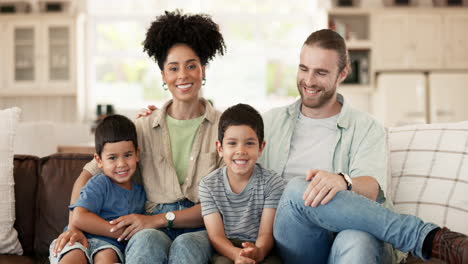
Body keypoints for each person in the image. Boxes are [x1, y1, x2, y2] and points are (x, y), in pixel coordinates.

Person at [259, 29, 468, 264]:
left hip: (348, 234)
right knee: (298, 190)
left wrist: (343, 182)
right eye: (303, 69)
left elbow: (372, 188)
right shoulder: (268, 123)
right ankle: (427, 238)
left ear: (343, 74)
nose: (308, 81)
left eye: (320, 72)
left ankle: (429, 239)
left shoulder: (365, 126)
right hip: (298, 241)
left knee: (358, 238)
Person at [51, 10, 227, 264]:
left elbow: (221, 202)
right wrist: (74, 225)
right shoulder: (143, 127)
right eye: (173, 68)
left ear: (203, 70)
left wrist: (157, 220)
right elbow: (88, 174)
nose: (183, 75)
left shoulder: (224, 129)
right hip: (150, 224)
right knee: (145, 241)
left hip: (198, 223)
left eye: (191, 66)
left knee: (187, 248)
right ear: (164, 76)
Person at [50, 115, 146, 264]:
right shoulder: (100, 183)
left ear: (137, 154)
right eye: (112, 158)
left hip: (110, 247)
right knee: (72, 257)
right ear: (99, 160)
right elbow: (79, 217)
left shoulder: (141, 193)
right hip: (78, 238)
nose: (121, 164)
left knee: (107, 255)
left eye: (127, 155)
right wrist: (118, 232)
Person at [199, 104, 284, 264]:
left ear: (261, 147)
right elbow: (216, 236)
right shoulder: (208, 185)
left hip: (261, 247)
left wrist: (257, 253)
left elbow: (266, 233)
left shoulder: (272, 182)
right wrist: (237, 254)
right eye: (232, 143)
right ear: (220, 147)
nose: (241, 150)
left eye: (249, 143)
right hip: (227, 248)